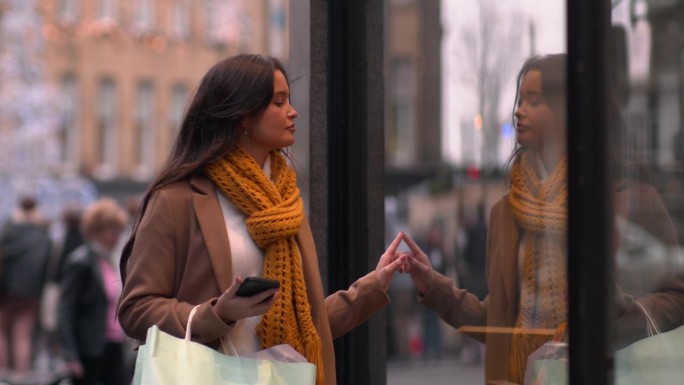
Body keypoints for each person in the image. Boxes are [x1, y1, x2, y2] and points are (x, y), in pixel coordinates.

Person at [117, 53, 407, 385]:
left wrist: (371, 288)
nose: (292, 112)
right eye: (278, 102)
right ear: (243, 115)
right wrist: (217, 314)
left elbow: (304, 325)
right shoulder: (177, 199)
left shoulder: (286, 205)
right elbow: (136, 309)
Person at [401, 54, 684, 384]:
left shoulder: (627, 199)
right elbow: (499, 321)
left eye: (534, 101)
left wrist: (621, 309)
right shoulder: (506, 213)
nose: (519, 111)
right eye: (520, 100)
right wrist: (432, 285)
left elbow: (677, 297)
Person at [58, 198, 130, 385]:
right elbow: (66, 310)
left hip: (113, 344)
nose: (116, 236)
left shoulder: (111, 261)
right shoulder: (80, 262)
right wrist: (71, 356)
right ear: (95, 231)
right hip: (90, 348)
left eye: (119, 231)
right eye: (111, 231)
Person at [0, 196, 52, 379]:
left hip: (6, 291)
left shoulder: (9, 231)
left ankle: (3, 373)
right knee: (23, 334)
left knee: (2, 331)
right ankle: (20, 376)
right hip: (31, 292)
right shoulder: (43, 235)